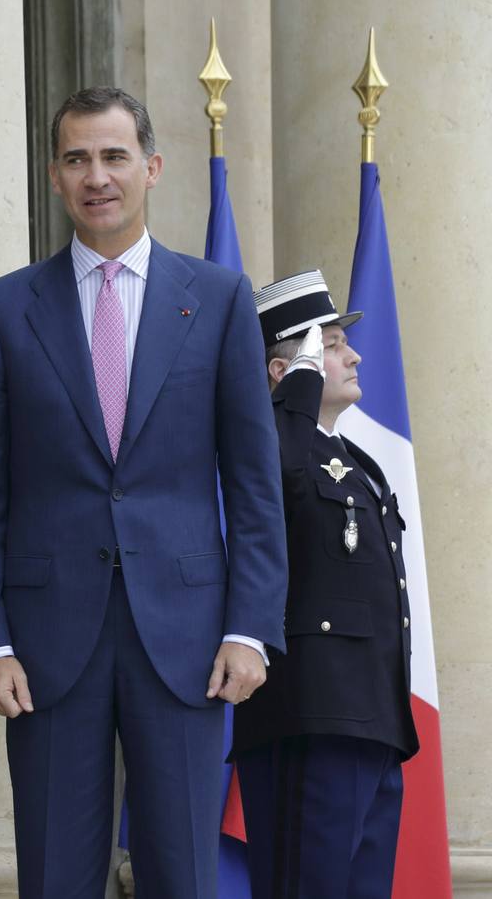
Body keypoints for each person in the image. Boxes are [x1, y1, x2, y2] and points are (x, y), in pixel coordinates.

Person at [0, 86, 288, 898]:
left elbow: (253, 482)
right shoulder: (3, 308)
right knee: (56, 874)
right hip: (43, 641)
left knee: (183, 873)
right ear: (56, 179)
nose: (96, 176)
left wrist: (250, 626)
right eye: (76, 159)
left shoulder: (219, 298)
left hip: (191, 637)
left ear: (152, 167)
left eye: (113, 156)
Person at [232, 271, 418, 898]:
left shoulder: (355, 465)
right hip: (308, 715)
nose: (354, 355)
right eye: (333, 344)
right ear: (286, 373)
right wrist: (297, 394)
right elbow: (269, 486)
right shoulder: (272, 446)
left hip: (370, 718)